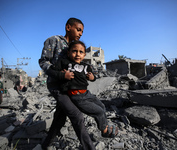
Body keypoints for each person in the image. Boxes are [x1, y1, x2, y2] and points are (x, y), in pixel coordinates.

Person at [39, 18, 95, 150]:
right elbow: (43, 61)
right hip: (57, 86)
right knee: (77, 115)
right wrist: (59, 73)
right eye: (78, 29)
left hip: (69, 87)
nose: (81, 33)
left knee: (60, 118)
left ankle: (45, 145)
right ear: (68, 27)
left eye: (82, 31)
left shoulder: (75, 47)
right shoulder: (54, 41)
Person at [54, 40, 118, 138]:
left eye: (81, 52)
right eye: (74, 51)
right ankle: (104, 131)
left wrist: (92, 77)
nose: (77, 54)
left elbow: (93, 78)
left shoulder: (86, 66)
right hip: (76, 96)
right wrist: (62, 74)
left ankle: (105, 124)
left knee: (102, 106)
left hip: (86, 93)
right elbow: (55, 72)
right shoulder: (65, 63)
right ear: (68, 53)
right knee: (99, 111)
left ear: (84, 55)